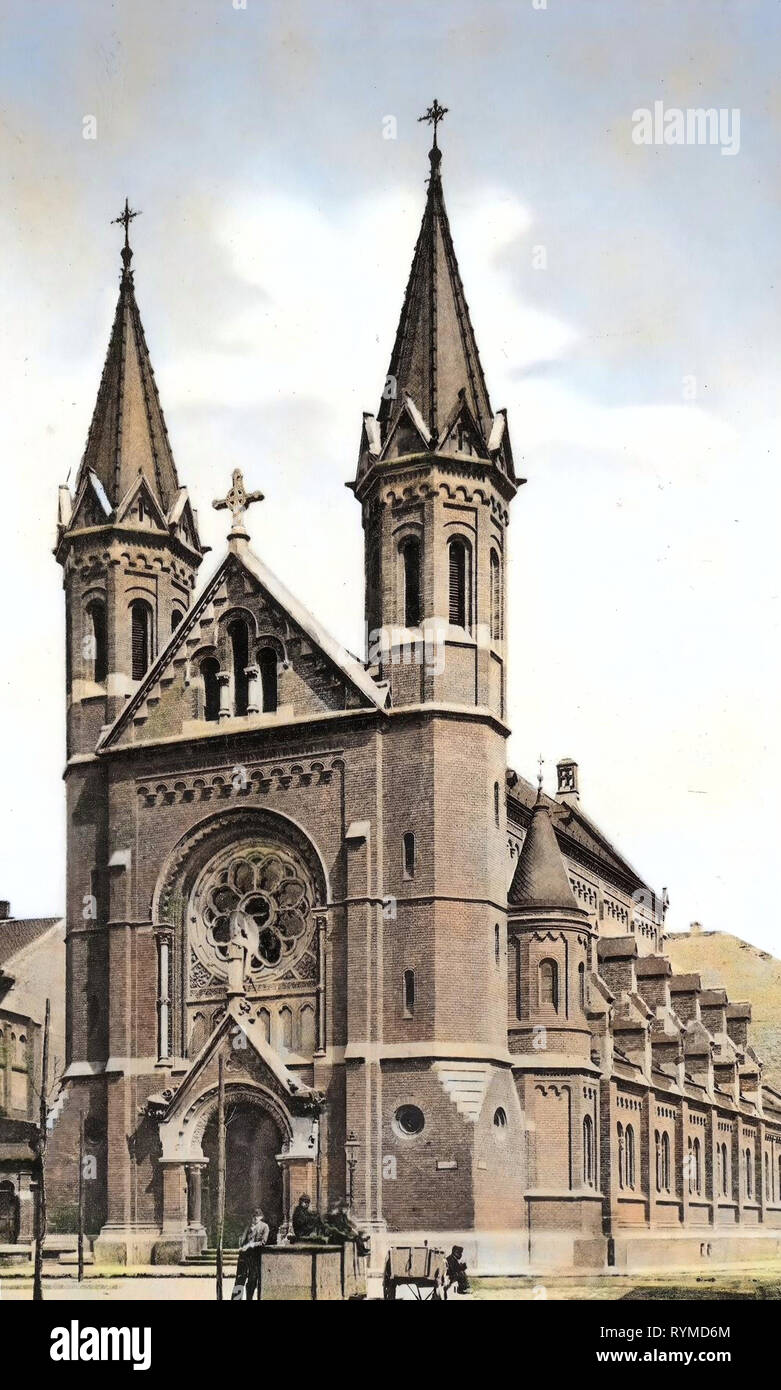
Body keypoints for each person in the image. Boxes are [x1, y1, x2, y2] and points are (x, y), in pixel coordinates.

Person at [231, 1207, 269, 1301]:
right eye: (254, 1216)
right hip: (244, 1256)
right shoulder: (248, 1226)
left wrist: (251, 1245)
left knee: (252, 1281)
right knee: (239, 1280)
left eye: (257, 1216)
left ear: (261, 1217)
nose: (255, 1218)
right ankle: (236, 1299)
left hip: (255, 1256)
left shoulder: (264, 1227)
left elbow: (263, 1242)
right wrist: (244, 1240)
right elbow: (242, 1240)